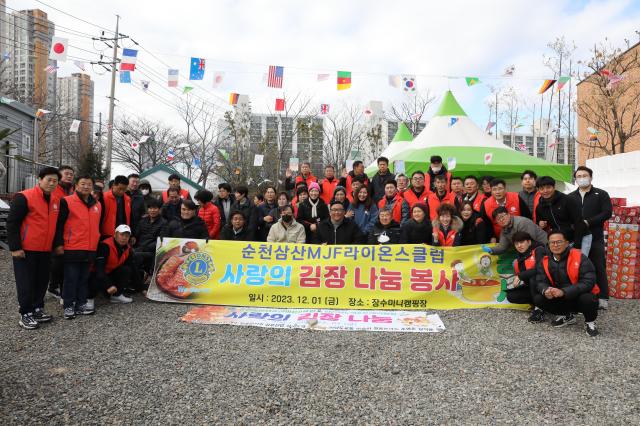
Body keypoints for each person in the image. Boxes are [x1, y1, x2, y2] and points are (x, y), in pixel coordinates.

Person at [8, 167, 61, 329]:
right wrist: (15, 247)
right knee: (26, 282)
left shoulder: (55, 200)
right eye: (48, 180)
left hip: (45, 250)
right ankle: (26, 313)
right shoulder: (24, 197)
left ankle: (38, 308)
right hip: (26, 250)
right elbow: (12, 223)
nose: (52, 183)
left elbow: (56, 226)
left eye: (55, 181)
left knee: (42, 281)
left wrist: (56, 245)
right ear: (40, 179)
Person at [533, 230, 600, 337]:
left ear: (567, 243)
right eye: (552, 242)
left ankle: (590, 322)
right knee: (538, 299)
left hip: (578, 295)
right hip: (560, 296)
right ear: (548, 244)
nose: (555, 245)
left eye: (559, 242)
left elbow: (589, 282)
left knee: (588, 299)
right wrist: (546, 290)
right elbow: (540, 281)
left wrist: (564, 292)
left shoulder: (580, 257)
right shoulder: (545, 260)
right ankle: (567, 316)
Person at [53, 175, 102, 318]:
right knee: (70, 278)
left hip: (90, 247)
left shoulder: (97, 205)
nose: (86, 187)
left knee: (83, 278)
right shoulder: (67, 201)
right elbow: (59, 225)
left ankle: (81, 304)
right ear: (76, 185)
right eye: (82, 184)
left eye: (88, 184)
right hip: (72, 246)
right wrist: (59, 244)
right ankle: (68, 305)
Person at [568, 166, 612, 309]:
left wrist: (588, 222)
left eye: (584, 175)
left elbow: (607, 213)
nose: (582, 178)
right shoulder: (570, 197)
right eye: (579, 176)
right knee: (578, 267)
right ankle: (581, 296)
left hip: (595, 237)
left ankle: (603, 297)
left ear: (591, 177)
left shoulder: (601, 194)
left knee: (598, 266)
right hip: (577, 239)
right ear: (575, 179)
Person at [535, 176, 585, 248]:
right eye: (542, 189)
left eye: (548, 187)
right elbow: (538, 224)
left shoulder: (568, 200)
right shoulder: (540, 207)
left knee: (579, 259)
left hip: (580, 237)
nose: (545, 191)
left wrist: (577, 245)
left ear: (554, 187)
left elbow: (579, 222)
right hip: (560, 241)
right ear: (538, 190)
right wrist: (540, 224)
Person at [48, 166, 75, 299]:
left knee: (63, 259)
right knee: (56, 260)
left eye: (71, 174)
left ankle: (58, 285)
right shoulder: (54, 189)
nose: (69, 176)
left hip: (68, 229)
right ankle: (53, 286)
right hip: (54, 227)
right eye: (66, 174)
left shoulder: (72, 190)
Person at [92, 225, 137, 304]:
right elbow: (99, 269)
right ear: (115, 235)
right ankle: (88, 299)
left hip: (108, 274)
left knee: (126, 270)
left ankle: (116, 296)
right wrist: (108, 285)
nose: (124, 238)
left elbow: (133, 267)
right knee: (92, 282)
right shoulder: (104, 246)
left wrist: (142, 288)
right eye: (121, 235)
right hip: (96, 275)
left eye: (127, 236)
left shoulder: (127, 248)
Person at [507, 231, 546, 323]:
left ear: (529, 242)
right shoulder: (519, 258)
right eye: (516, 244)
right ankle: (539, 303)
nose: (519, 246)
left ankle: (539, 309)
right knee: (511, 296)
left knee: (534, 278)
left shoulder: (539, 250)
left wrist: (521, 276)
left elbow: (541, 269)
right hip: (532, 288)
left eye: (522, 242)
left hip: (546, 286)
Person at [482, 207, 548, 255]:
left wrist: (521, 259)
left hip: (545, 247)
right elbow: (502, 247)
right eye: (498, 219)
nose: (501, 220)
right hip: (532, 251)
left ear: (508, 214)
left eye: (502, 216)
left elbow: (529, 242)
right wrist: (491, 250)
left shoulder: (522, 222)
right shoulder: (504, 230)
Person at [133, 198, 167, 278]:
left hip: (152, 251)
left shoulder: (164, 223)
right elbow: (136, 234)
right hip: (139, 248)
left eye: (155, 208)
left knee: (135, 255)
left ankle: (142, 277)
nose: (152, 210)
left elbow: (160, 241)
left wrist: (143, 248)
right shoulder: (142, 221)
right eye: (150, 208)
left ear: (159, 209)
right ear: (147, 209)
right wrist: (133, 237)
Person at [100, 175, 131, 240]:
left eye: (124, 189)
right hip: (106, 234)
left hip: (123, 234)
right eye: (120, 189)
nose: (122, 191)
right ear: (113, 185)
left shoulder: (128, 199)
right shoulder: (104, 197)